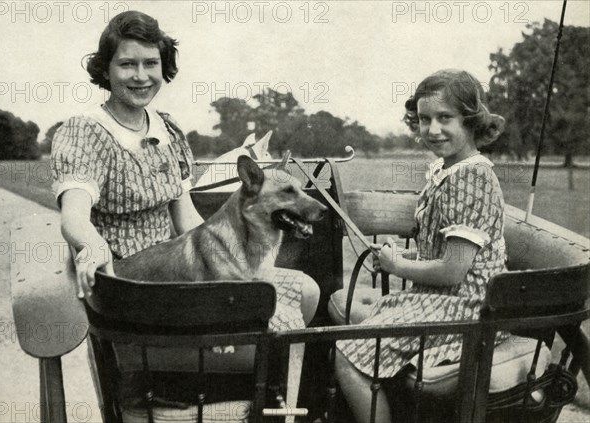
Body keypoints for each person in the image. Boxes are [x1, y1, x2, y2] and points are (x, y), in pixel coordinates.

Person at [50, 10, 319, 399]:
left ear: (164, 67)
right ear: (105, 70)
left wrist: (237, 259)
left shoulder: (168, 129)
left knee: (306, 292)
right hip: (132, 284)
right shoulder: (84, 132)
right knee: (266, 335)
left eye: (151, 63)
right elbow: (74, 216)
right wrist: (91, 246)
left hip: (181, 273)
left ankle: (243, 393)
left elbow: (187, 218)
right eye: (127, 64)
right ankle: (212, 389)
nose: (140, 75)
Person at [333, 69, 507, 422]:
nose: (432, 129)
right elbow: (443, 255)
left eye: (445, 118)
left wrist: (398, 267)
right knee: (354, 317)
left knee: (346, 354)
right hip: (443, 299)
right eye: (424, 119)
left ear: (471, 121)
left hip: (469, 309)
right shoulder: (449, 170)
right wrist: (405, 258)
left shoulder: (471, 176)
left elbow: (453, 271)